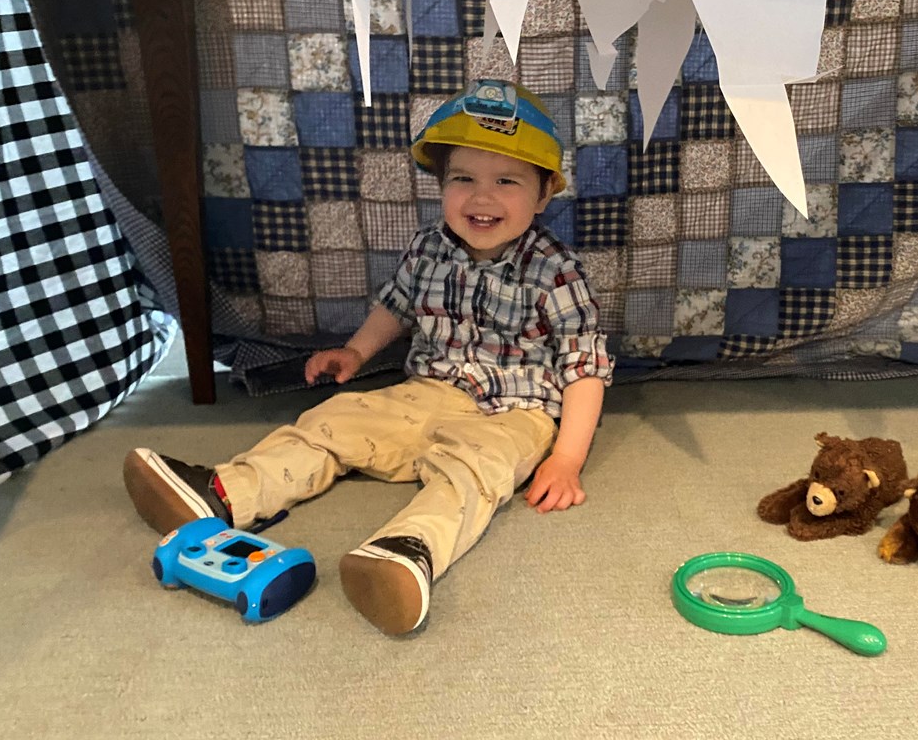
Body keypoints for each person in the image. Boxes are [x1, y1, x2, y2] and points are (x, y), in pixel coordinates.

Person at [123, 79, 613, 635]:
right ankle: (224, 493)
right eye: (462, 179)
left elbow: (584, 367)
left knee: (476, 472)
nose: (481, 198)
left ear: (544, 193)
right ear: (440, 184)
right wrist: (355, 351)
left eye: (506, 181)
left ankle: (405, 552)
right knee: (336, 420)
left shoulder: (556, 270)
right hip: (429, 392)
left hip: (516, 411)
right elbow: (396, 307)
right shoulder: (429, 247)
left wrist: (567, 459)